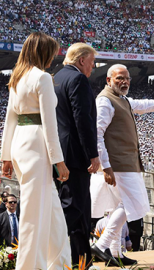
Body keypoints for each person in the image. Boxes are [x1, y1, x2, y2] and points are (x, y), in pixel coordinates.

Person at [91, 64, 154, 266]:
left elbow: (142, 105)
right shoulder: (105, 101)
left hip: (124, 163)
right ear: (108, 80)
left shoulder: (122, 99)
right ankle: (102, 245)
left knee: (119, 206)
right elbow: (96, 135)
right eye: (119, 78)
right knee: (134, 204)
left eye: (127, 78)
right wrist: (105, 165)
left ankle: (115, 253)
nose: (124, 82)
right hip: (119, 164)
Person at [0, 32, 71, 269]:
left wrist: (6, 156)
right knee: (33, 212)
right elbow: (50, 124)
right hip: (37, 145)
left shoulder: (16, 78)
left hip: (21, 143)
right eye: (52, 52)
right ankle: (31, 266)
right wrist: (58, 161)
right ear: (43, 52)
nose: (54, 58)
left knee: (51, 208)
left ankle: (59, 262)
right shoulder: (42, 78)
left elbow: (10, 119)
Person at [54, 42, 100, 266]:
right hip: (75, 154)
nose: (93, 67)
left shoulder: (57, 77)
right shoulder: (78, 79)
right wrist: (93, 154)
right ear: (82, 60)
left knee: (82, 210)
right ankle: (51, 250)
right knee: (72, 208)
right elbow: (83, 120)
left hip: (61, 152)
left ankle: (82, 260)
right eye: (92, 62)